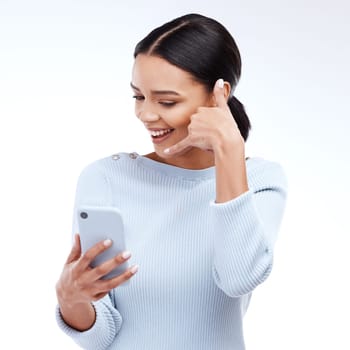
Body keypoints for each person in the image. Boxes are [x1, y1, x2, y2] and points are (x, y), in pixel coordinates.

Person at [55, 13, 288, 350]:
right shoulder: (105, 178)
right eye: (138, 97)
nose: (147, 115)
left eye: (166, 101)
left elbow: (239, 278)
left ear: (218, 95)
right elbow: (100, 334)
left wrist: (230, 151)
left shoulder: (260, 180)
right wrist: (70, 299)